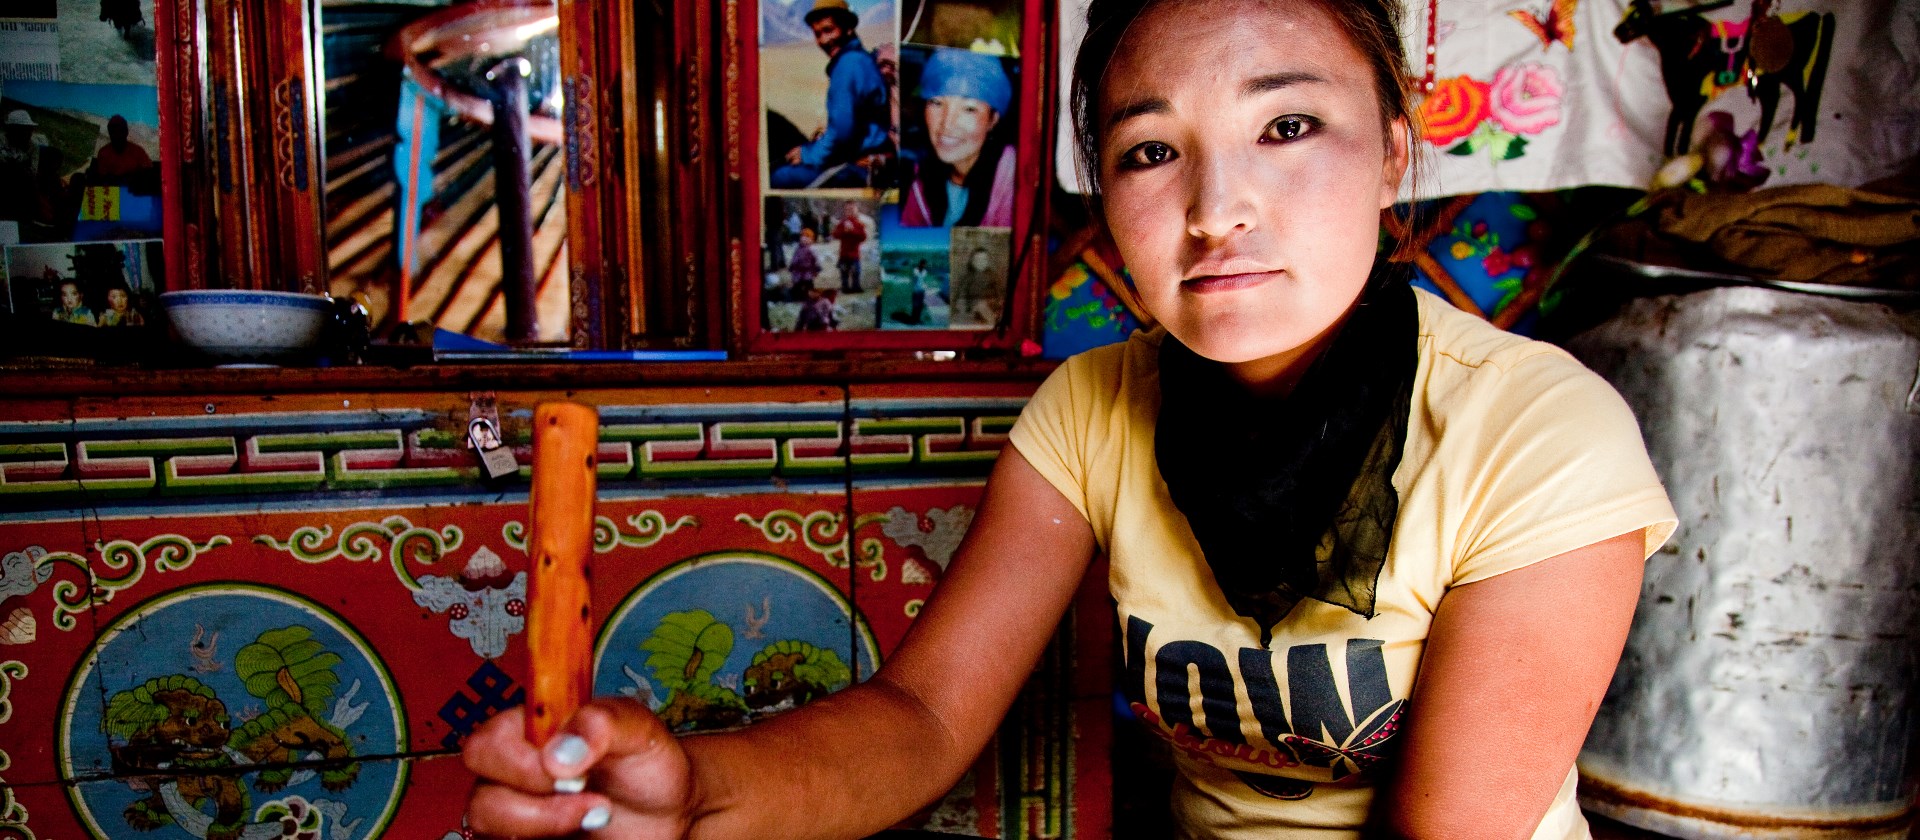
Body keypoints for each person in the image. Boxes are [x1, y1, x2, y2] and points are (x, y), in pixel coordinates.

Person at [461, 1, 1677, 838]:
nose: (1216, 210)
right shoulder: (1094, 408)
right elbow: (925, 717)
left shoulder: (1536, 431)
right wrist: (688, 798)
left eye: (1288, 127)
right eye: (1153, 150)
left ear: (1394, 156)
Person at [770, 0, 892, 189]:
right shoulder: (858, 60)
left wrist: (807, 154)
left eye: (829, 30)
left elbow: (841, 134)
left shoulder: (848, 65)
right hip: (867, 160)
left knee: (781, 177)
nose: (824, 40)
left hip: (862, 168)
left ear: (848, 28)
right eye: (818, 34)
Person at [901, 48, 1017, 229]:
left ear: (992, 120)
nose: (947, 124)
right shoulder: (923, 174)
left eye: (969, 109)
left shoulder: (1011, 172)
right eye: (937, 103)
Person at [87, 115, 154, 187]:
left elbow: (148, 172)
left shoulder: (138, 151)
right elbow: (102, 179)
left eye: (120, 131)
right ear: (109, 133)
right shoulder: (104, 153)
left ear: (126, 132)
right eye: (113, 132)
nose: (117, 135)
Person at [830, 202, 867, 293]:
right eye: (847, 210)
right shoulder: (842, 223)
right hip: (844, 254)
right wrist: (844, 231)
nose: (849, 211)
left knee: (856, 272)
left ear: (856, 210)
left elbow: (863, 237)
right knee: (844, 273)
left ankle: (856, 286)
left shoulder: (859, 224)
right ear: (845, 211)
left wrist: (852, 230)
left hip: (854, 254)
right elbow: (835, 235)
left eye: (852, 209)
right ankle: (845, 288)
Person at [786, 227, 822, 300]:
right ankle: (796, 296)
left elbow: (816, 259)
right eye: (802, 237)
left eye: (807, 237)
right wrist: (792, 265)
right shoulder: (798, 248)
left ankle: (809, 296)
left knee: (808, 284)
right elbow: (795, 258)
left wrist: (817, 268)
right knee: (797, 284)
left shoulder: (811, 249)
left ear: (811, 239)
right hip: (798, 271)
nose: (804, 239)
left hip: (808, 271)